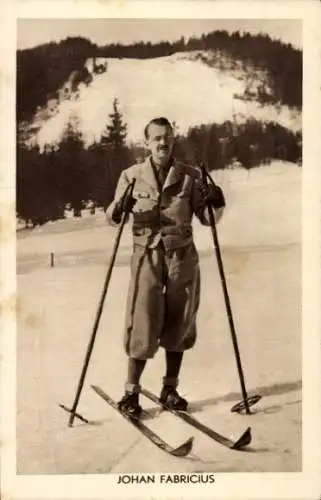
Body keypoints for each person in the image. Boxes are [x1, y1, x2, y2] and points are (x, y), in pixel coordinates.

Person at [106, 117, 225, 418]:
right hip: (146, 256)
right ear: (146, 142)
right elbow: (113, 217)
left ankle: (169, 389)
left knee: (180, 320)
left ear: (174, 141)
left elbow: (208, 219)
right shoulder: (132, 176)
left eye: (168, 137)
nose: (163, 143)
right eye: (157, 138)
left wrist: (217, 200)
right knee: (142, 318)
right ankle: (131, 393)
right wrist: (118, 209)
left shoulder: (189, 176)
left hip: (182, 258)